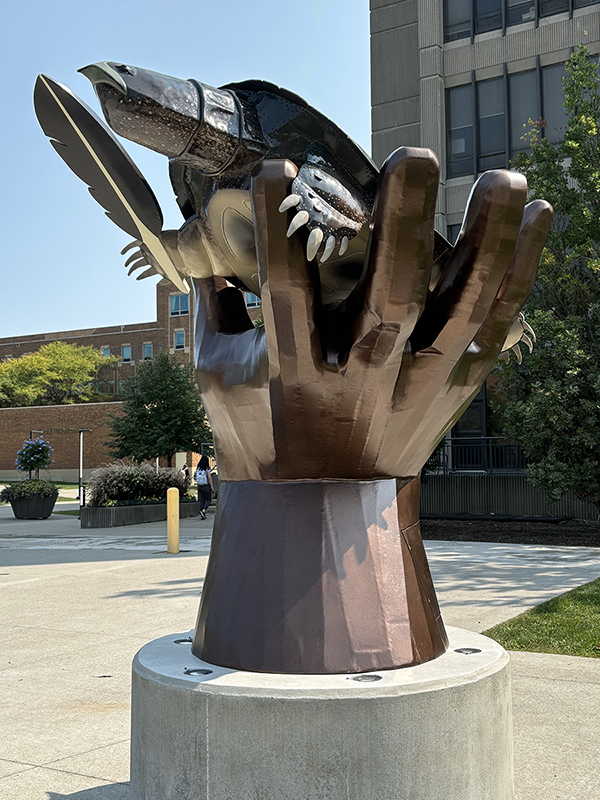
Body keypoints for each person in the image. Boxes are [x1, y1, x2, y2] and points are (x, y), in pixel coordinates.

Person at [194, 456, 213, 520]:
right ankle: (203, 510)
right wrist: (211, 486)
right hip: (205, 485)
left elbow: (194, 477)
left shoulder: (198, 468)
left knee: (202, 500)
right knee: (209, 499)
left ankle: (202, 512)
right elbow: (209, 477)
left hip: (199, 486)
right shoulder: (207, 468)